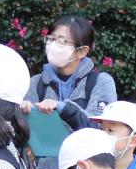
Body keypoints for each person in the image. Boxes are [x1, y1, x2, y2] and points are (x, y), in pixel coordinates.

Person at [22, 14, 118, 142]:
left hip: (86, 161)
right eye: (50, 39)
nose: (53, 46)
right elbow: (26, 135)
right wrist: (23, 113)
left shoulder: (100, 82)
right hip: (47, 161)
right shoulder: (36, 83)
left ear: (82, 51)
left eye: (62, 41)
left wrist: (63, 108)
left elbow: (99, 129)